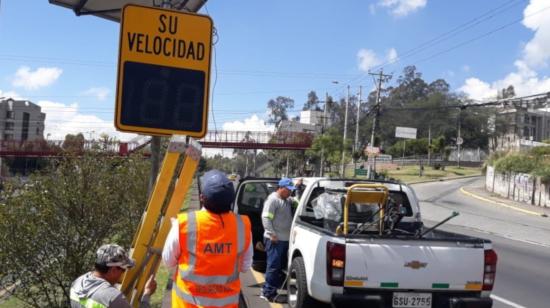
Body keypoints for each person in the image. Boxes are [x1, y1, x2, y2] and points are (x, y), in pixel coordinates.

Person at [162, 169, 253, 308]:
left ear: (202, 197)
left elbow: (168, 261)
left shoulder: (184, 224)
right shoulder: (243, 225)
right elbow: (245, 266)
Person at [70, 244, 157, 308]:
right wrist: (147, 294)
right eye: (123, 270)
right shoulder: (113, 298)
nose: (122, 274)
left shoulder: (77, 283)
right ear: (113, 270)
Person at [260, 177, 296, 302]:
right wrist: (272, 234)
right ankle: (268, 293)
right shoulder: (273, 200)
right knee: (273, 266)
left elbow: (297, 200)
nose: (290, 192)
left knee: (278, 267)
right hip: (275, 239)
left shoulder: (287, 200)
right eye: (289, 190)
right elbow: (266, 218)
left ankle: (270, 289)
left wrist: (300, 187)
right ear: (281, 188)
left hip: (284, 239)